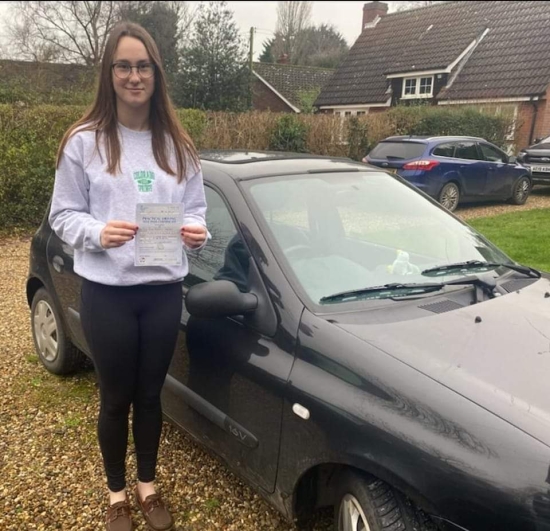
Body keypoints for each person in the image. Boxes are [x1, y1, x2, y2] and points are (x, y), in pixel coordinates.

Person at [49, 21, 208, 531]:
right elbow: (62, 214)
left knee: (149, 395)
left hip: (161, 292)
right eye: (124, 65)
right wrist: (98, 233)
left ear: (156, 74)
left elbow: (197, 208)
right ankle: (117, 492)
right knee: (115, 398)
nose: (134, 75)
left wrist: (195, 231)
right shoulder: (84, 141)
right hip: (108, 293)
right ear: (109, 72)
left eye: (143, 66)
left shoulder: (178, 145)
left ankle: (148, 485)